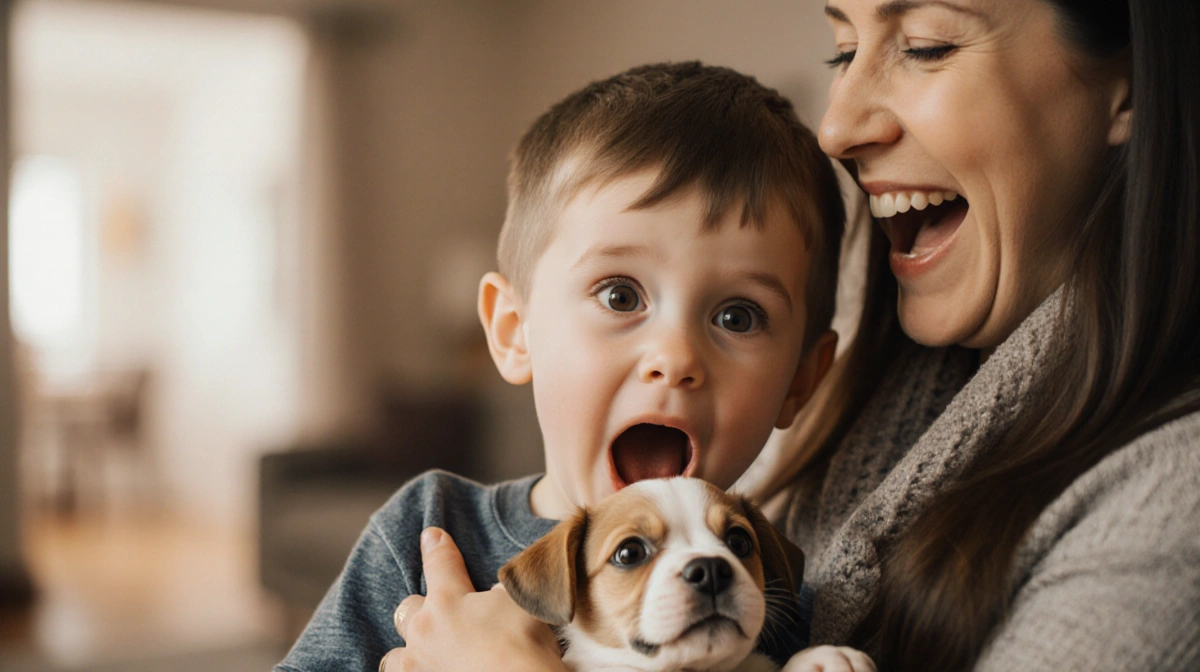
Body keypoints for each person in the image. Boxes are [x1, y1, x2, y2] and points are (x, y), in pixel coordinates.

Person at [381, 1, 1200, 670]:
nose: (836, 127)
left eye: (924, 45)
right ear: (513, 330)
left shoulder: (1167, 509)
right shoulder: (425, 533)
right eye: (843, 51)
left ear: (1127, 88)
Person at [275, 61, 849, 672]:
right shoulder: (426, 536)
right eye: (620, 296)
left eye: (738, 317)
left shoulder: (774, 594)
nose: (676, 358)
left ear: (800, 381)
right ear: (513, 331)